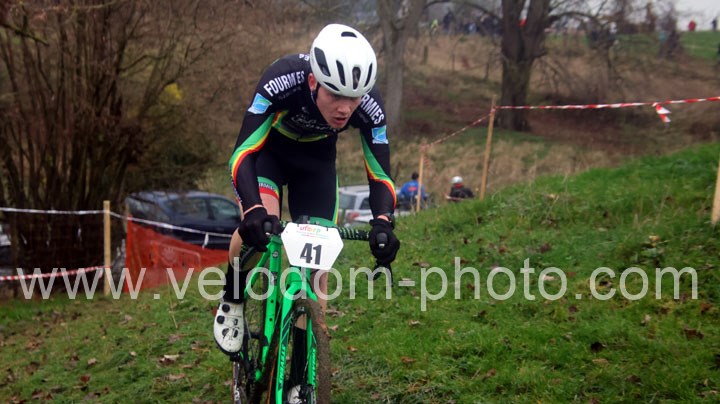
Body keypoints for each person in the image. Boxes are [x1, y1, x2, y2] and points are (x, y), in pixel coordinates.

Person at [214, 24, 400, 361]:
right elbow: (242, 153)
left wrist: (384, 221)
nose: (345, 108)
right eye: (335, 95)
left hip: (316, 164)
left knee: (318, 270)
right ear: (314, 81)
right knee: (256, 228)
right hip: (269, 154)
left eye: (353, 98)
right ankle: (233, 296)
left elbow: (380, 173)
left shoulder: (370, 104)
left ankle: (304, 370)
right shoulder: (283, 79)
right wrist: (253, 210)